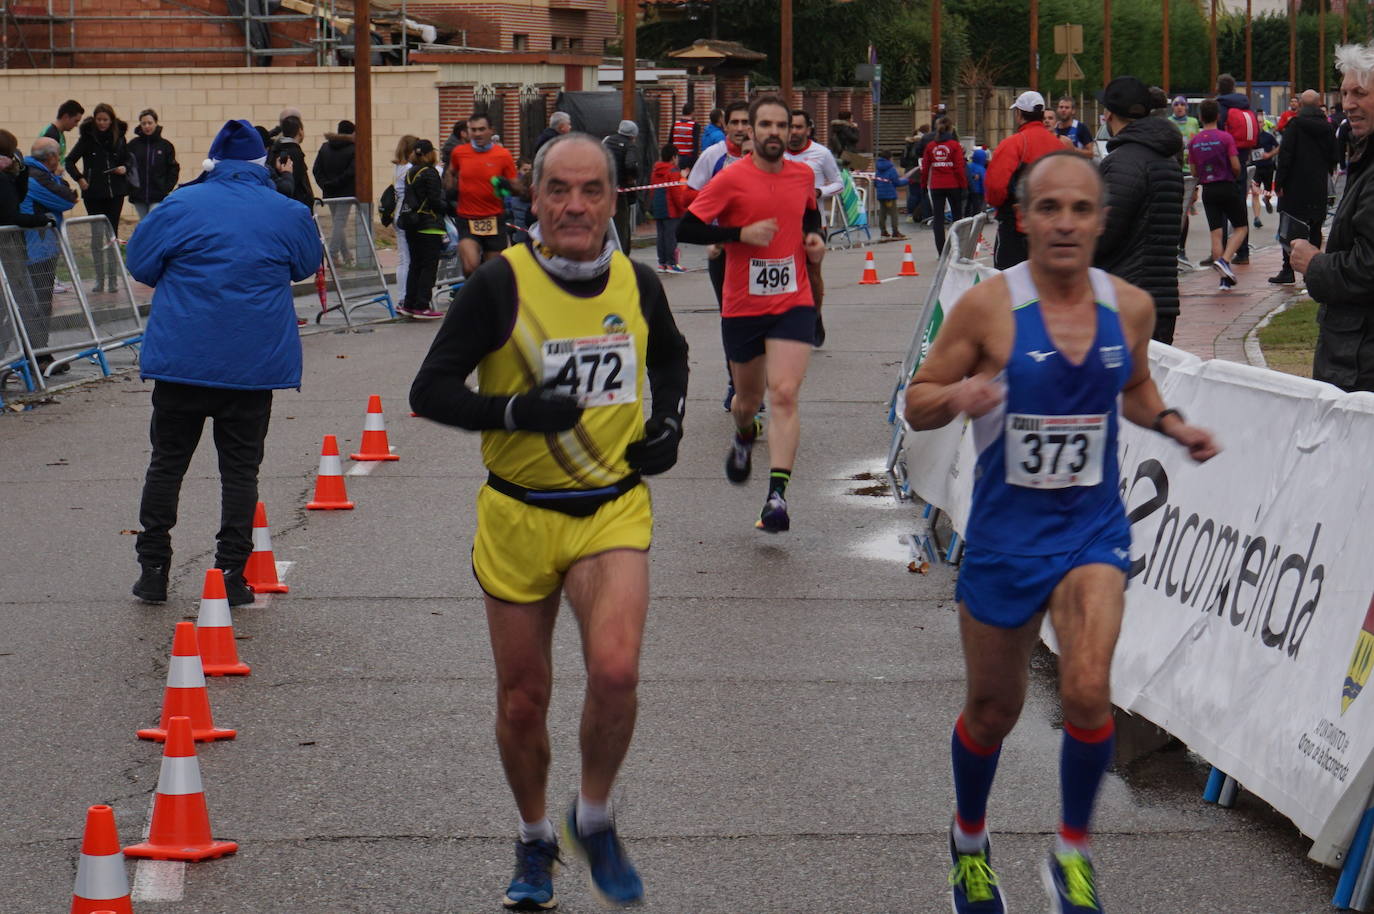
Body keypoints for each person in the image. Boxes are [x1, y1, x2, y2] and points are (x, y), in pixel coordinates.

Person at [904, 150, 1219, 914]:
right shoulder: (986, 309)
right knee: (993, 710)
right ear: (1024, 218)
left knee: (1086, 692)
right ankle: (970, 844)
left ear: (1101, 222)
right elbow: (917, 400)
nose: (1066, 223)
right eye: (1050, 208)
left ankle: (1070, 854)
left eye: (1082, 209)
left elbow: (1135, 387)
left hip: (1092, 533)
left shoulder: (1130, 309)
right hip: (1007, 539)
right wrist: (962, 394)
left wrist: (1174, 425)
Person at [410, 130, 689, 911]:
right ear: (531, 198)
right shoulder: (500, 284)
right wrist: (515, 411)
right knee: (523, 699)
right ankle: (535, 839)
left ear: (613, 199)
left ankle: (591, 817)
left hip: (610, 509)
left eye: (591, 190)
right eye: (558, 190)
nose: (574, 205)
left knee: (617, 671)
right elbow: (429, 390)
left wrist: (668, 423)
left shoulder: (638, 283)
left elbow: (670, 357)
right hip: (519, 514)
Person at [125, 119, 321, 607]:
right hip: (252, 364)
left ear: (213, 162)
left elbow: (141, 264)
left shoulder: (179, 205)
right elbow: (304, 264)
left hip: (182, 359)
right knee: (240, 471)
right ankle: (231, 574)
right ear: (261, 164)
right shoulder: (288, 211)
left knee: (167, 464)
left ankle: (153, 569)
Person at [679, 95, 825, 533]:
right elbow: (688, 227)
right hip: (743, 304)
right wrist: (739, 233)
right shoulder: (731, 178)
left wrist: (814, 239)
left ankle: (776, 497)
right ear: (752, 131)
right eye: (767, 125)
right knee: (748, 400)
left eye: (782, 125)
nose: (775, 133)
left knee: (783, 393)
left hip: (793, 301)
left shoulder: (802, 175)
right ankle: (744, 434)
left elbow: (810, 216)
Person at [1291, 44, 1374, 391]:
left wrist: (1315, 264)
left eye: (1360, 93)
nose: (1349, 104)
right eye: (1344, 93)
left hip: (1361, 364)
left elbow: (1368, 268)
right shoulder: (1364, 157)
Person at [1093, 75, 1184, 343]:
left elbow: (1105, 233)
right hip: (1162, 298)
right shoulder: (1166, 158)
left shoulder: (1123, 162)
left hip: (1125, 297)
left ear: (1109, 114)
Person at [0, 131, 59, 384]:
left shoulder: (7, 178)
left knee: (10, 308)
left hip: (10, 246)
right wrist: (40, 220)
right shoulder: (1, 181)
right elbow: (11, 215)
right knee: (17, 306)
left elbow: (18, 198)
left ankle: (13, 359)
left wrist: (20, 171)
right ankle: (16, 359)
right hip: (7, 248)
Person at [20, 136, 78, 375]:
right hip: (36, 249)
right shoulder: (36, 176)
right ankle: (36, 355)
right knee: (37, 304)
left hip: (41, 248)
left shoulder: (35, 172)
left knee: (40, 304)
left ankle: (40, 352)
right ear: (52, 157)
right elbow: (66, 198)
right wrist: (62, 184)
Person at [986, 91, 1064, 269]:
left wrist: (998, 204)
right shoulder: (1059, 146)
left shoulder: (1013, 144)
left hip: (1017, 227)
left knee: (1009, 284)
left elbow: (995, 187)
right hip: (1053, 229)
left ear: (1019, 114)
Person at [785, 109, 843, 345]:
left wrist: (820, 191)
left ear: (808, 129)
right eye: (790, 127)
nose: (794, 132)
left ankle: (815, 316)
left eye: (799, 127)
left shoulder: (821, 154)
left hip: (812, 221)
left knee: (812, 274)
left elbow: (838, 183)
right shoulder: (776, 153)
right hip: (783, 222)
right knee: (786, 274)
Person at [1272, 89, 1338, 285]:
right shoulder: (1327, 128)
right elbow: (1334, 156)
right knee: (1315, 226)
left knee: (1289, 227)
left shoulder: (1295, 126)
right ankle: (1314, 270)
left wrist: (1280, 181)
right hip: (1317, 185)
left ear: (1300, 105)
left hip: (1294, 185)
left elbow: (1286, 155)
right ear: (1319, 105)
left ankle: (1287, 269)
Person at [64, 102, 130, 295]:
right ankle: (99, 279)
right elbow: (69, 161)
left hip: (115, 193)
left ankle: (112, 279)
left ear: (112, 120)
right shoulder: (87, 138)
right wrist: (80, 178)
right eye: (99, 119)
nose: (102, 123)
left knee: (112, 235)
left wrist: (123, 168)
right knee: (96, 236)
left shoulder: (119, 138)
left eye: (106, 120)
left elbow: (127, 160)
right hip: (93, 194)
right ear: (95, 120)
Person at [446, 113, 522, 278]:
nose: (478, 133)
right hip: (467, 217)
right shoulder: (459, 152)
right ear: (468, 131)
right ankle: (473, 297)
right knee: (470, 265)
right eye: (473, 130)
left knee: (492, 271)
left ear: (490, 131)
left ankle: (487, 301)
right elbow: (450, 172)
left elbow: (518, 188)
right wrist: (450, 188)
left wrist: (507, 185)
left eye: (481, 129)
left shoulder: (503, 155)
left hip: (493, 218)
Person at [1189, 99, 1248, 289]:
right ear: (1218, 116)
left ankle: (1224, 280)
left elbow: (1194, 172)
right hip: (1227, 186)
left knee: (1216, 234)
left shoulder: (1194, 142)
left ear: (1200, 117)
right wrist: (1235, 175)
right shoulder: (1225, 138)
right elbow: (1236, 166)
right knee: (1241, 228)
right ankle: (1225, 260)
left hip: (1208, 190)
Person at [397, 138, 446, 320]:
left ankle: (409, 303)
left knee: (415, 265)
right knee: (429, 266)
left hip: (412, 224)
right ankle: (422, 305)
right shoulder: (430, 173)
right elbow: (435, 200)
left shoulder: (410, 172)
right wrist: (447, 207)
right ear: (428, 154)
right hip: (429, 224)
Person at [1215, 74, 1255, 264]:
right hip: (1243, 159)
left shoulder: (1221, 107)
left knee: (1221, 207)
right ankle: (1243, 252)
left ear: (1218, 87)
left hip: (1224, 163)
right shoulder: (1244, 105)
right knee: (1239, 207)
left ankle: (1222, 253)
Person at [312, 119, 357, 266]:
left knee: (338, 223)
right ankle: (332, 255)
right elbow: (351, 172)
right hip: (346, 192)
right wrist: (336, 184)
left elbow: (316, 170)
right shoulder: (354, 149)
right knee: (339, 223)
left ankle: (345, 255)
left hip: (330, 193)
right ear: (352, 133)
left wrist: (325, 185)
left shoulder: (325, 147)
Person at [921, 117, 968, 255]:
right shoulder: (954, 146)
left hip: (936, 185)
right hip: (953, 185)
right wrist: (964, 186)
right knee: (957, 217)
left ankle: (941, 251)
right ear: (951, 128)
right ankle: (957, 249)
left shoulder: (930, 146)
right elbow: (959, 168)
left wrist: (924, 186)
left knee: (938, 218)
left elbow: (925, 168)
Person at [127, 109, 179, 220]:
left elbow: (173, 168)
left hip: (158, 195)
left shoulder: (165, 146)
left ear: (156, 123)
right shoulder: (133, 145)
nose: (147, 126)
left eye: (149, 123)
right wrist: (130, 188)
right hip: (138, 195)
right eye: (144, 123)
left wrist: (166, 188)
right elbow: (128, 166)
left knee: (152, 221)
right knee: (144, 222)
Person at [603, 119, 640, 253]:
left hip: (603, 189)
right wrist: (631, 179)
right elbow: (631, 165)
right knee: (621, 225)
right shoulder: (629, 145)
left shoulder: (607, 141)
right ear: (632, 135)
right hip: (619, 191)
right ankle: (621, 254)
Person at [649, 142, 687, 273]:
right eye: (677, 156)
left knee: (661, 236)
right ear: (673, 157)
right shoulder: (673, 171)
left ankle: (662, 263)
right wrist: (683, 209)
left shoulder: (656, 170)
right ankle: (671, 263)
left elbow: (652, 190)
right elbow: (676, 194)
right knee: (671, 236)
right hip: (671, 210)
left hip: (658, 208)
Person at [389, 134, 418, 308]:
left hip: (398, 212)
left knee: (403, 258)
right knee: (408, 259)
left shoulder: (398, 167)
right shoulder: (409, 168)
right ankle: (405, 296)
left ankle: (402, 295)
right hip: (407, 213)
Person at [268, 114, 314, 208]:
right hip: (296, 206)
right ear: (300, 131)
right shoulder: (295, 153)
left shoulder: (274, 150)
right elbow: (297, 182)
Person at [873, 150, 909, 240]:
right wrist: (907, 180)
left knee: (882, 212)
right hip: (890, 195)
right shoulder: (891, 169)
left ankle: (883, 230)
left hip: (881, 194)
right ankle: (895, 231)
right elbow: (897, 182)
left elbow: (875, 182)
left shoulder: (878, 169)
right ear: (889, 158)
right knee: (893, 214)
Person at [1249, 123, 1279, 229]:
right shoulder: (1251, 136)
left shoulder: (1268, 136)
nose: (1258, 125)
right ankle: (1257, 218)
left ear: (1263, 124)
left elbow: (1278, 147)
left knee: (1268, 192)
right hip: (1255, 168)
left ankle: (1267, 200)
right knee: (1255, 193)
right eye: (1257, 122)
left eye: (1260, 123)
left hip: (1268, 167)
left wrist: (1269, 155)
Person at [670, 103, 699, 170]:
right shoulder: (695, 125)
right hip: (689, 159)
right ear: (692, 112)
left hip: (676, 158)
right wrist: (694, 163)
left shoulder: (675, 124)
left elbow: (670, 142)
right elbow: (695, 146)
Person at [966, 147, 987, 216]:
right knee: (978, 208)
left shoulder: (969, 165)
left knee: (969, 207)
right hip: (979, 192)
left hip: (969, 190)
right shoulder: (981, 168)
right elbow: (984, 181)